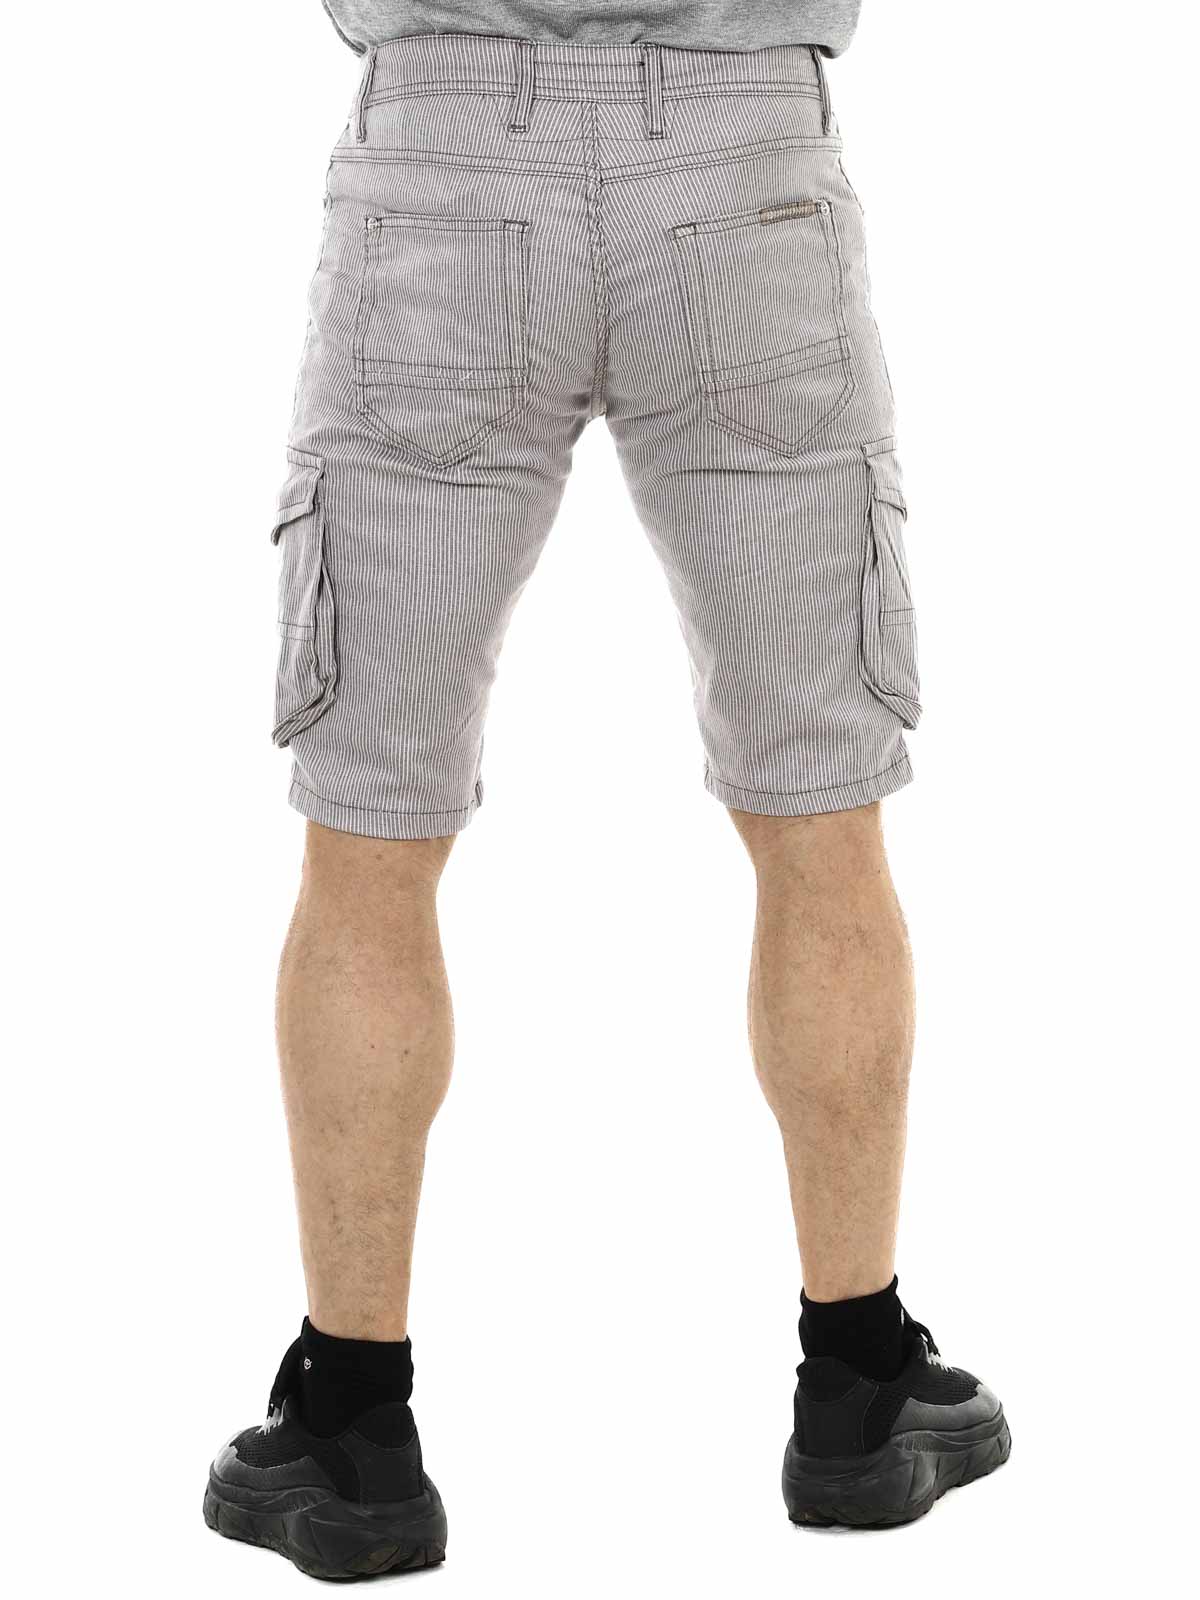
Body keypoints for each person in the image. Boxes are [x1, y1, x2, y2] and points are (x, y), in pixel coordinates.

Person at [204, 1, 1009, 1575]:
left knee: (368, 831)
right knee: (823, 817)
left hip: (441, 154)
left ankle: (354, 1431)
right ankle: (856, 1388)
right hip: (742, 150)